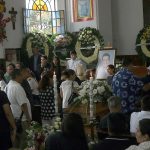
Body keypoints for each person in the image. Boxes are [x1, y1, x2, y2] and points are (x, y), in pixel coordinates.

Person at [4, 67, 32, 149]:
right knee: (24, 142)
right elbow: (23, 105)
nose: (22, 78)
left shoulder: (8, 86)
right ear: (17, 76)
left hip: (14, 119)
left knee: (16, 143)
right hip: (22, 119)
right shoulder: (17, 87)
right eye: (21, 75)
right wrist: (28, 118)